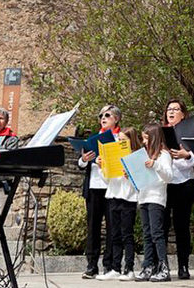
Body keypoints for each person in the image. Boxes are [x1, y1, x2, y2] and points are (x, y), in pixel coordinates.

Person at [79, 105, 121, 279]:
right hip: (94, 188)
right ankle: (91, 265)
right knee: (93, 227)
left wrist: (106, 161)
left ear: (116, 119)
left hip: (112, 188)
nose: (103, 118)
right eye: (101, 116)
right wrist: (84, 159)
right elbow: (81, 164)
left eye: (107, 115)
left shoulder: (121, 139)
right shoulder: (92, 139)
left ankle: (109, 265)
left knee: (112, 228)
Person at [97, 127, 141, 281]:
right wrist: (102, 167)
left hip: (128, 199)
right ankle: (115, 268)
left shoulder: (137, 157)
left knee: (127, 234)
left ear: (131, 141)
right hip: (113, 196)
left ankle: (129, 269)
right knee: (115, 234)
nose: (120, 142)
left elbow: (140, 183)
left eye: (123, 140)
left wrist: (130, 175)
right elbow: (107, 180)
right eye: (119, 139)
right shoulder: (114, 155)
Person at [163, 99, 194, 279]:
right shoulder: (161, 132)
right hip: (165, 184)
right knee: (161, 225)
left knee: (181, 226)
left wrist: (186, 155)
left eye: (176, 109)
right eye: (169, 109)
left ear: (183, 114)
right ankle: (161, 266)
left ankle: (183, 266)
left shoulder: (191, 133)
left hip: (184, 183)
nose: (171, 112)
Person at [136, 123, 174, 282]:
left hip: (156, 197)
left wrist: (155, 165)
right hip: (144, 197)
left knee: (157, 234)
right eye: (143, 138)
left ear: (154, 137)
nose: (144, 141)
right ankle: (148, 266)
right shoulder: (145, 155)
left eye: (146, 138)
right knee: (147, 234)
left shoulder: (163, 155)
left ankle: (164, 268)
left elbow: (169, 177)